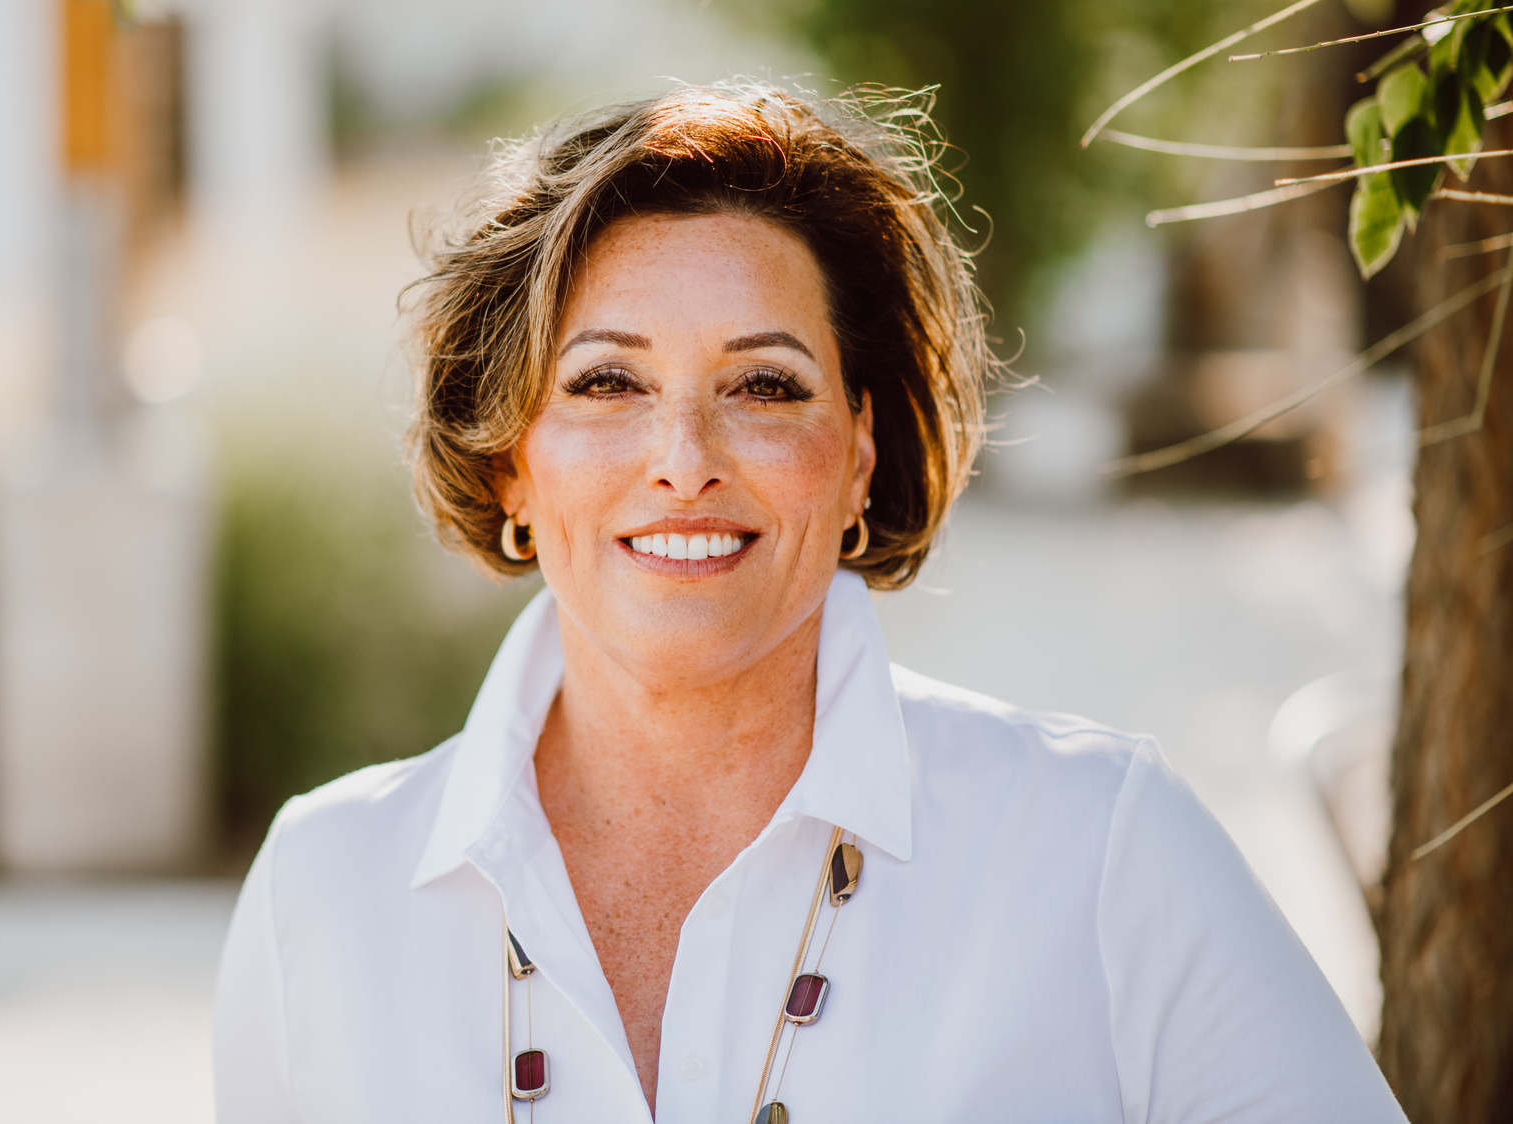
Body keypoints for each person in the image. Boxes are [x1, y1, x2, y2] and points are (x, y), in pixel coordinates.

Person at [214, 83, 1405, 1123]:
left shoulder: (1100, 848)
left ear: (860, 459)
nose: (684, 456)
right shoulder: (324, 890)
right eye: (608, 379)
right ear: (510, 463)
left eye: (766, 385)